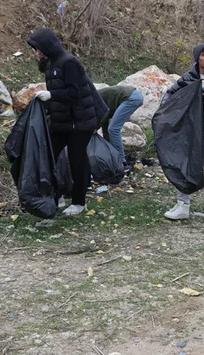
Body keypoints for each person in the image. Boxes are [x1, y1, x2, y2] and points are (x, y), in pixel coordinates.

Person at [27, 28, 97, 216]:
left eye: (39, 49)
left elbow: (75, 93)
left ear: (48, 46)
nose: (38, 53)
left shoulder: (70, 63)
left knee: (77, 160)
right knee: (48, 157)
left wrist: (51, 95)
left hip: (79, 122)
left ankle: (79, 202)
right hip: (60, 122)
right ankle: (57, 196)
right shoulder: (50, 65)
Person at [163, 44, 204, 224]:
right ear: (197, 58)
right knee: (185, 167)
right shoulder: (189, 77)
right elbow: (171, 94)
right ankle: (183, 205)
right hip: (190, 131)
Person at [97, 85, 144, 169]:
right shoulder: (94, 101)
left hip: (131, 98)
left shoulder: (93, 99)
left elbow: (103, 117)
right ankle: (116, 158)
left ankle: (121, 162)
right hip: (133, 96)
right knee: (111, 129)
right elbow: (104, 124)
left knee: (113, 129)